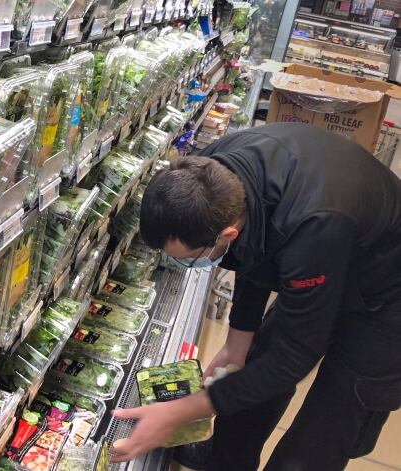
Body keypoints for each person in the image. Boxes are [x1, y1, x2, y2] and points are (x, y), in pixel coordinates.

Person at [110, 123, 401, 470]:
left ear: (226, 233)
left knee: (326, 427)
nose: (182, 264)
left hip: (387, 295)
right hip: (332, 249)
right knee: (252, 364)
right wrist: (238, 341)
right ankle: (224, 460)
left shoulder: (313, 228)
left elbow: (293, 358)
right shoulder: (208, 172)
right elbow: (256, 248)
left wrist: (182, 410)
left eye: (189, 257)